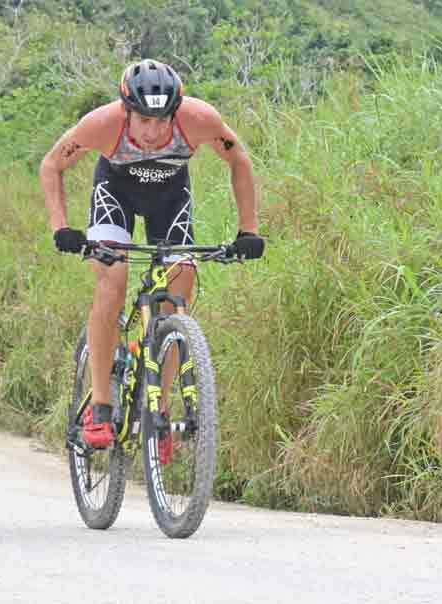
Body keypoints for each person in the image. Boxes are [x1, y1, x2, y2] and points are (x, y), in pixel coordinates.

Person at [40, 59, 264, 449]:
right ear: (126, 111)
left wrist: (249, 230)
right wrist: (61, 227)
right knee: (111, 283)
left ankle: (157, 408)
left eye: (162, 121)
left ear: (176, 112)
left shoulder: (199, 119)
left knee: (179, 290)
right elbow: (52, 164)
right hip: (115, 196)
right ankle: (101, 403)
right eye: (143, 119)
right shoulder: (101, 124)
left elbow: (238, 159)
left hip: (169, 200)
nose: (152, 131)